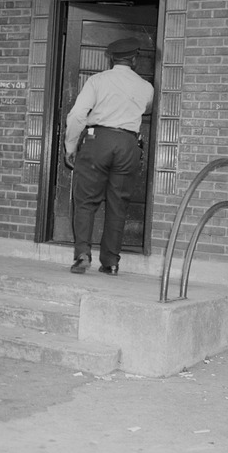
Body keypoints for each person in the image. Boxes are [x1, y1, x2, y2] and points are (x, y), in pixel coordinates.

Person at [63, 37, 154, 276]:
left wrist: (70, 146)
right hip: (128, 144)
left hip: (97, 140)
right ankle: (111, 262)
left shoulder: (97, 81)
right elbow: (146, 108)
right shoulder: (146, 87)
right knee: (118, 205)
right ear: (134, 59)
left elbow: (76, 116)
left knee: (85, 201)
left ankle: (83, 254)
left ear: (111, 58)